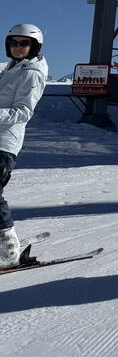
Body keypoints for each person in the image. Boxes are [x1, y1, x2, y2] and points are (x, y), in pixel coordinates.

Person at [0, 24, 48, 268]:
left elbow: (23, 112)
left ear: (34, 47)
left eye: (24, 43)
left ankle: (8, 252)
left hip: (4, 144)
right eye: (13, 43)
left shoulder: (32, 73)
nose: (17, 47)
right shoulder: (11, 68)